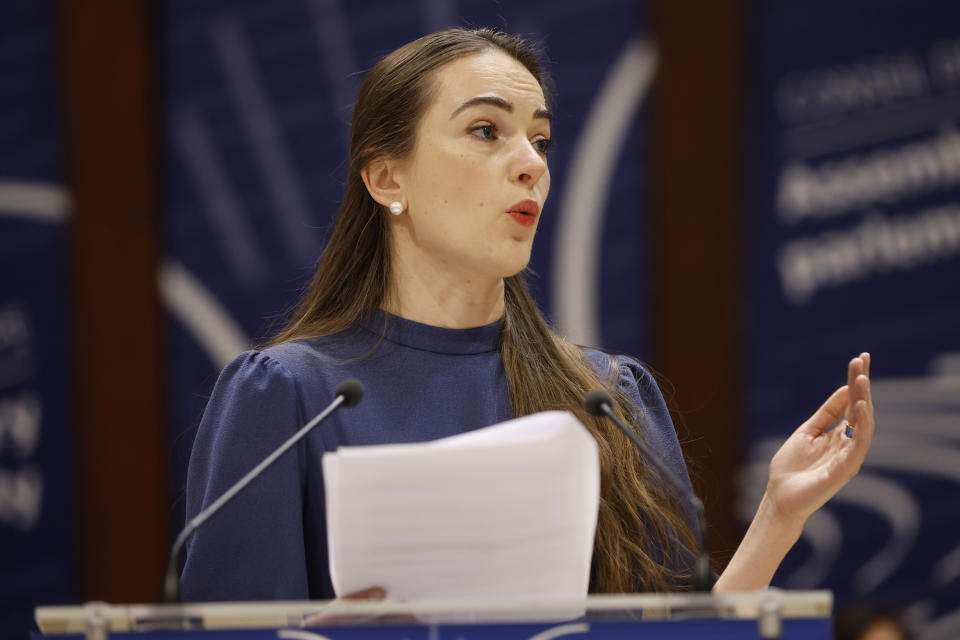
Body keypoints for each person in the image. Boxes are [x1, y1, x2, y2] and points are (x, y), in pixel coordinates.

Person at [180, 27, 875, 601]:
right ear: (387, 177)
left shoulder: (608, 399)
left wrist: (779, 516)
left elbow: (680, 634)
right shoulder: (287, 396)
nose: (530, 165)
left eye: (539, 140)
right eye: (487, 131)